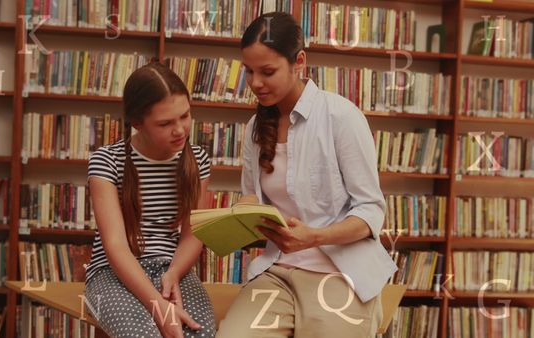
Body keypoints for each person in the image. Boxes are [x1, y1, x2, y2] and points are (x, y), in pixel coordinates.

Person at [216, 12, 398, 338]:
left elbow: (371, 212)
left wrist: (315, 236)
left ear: (299, 61)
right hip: (276, 271)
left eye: (267, 71)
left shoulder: (342, 117)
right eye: (250, 71)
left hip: (339, 273)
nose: (255, 83)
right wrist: (240, 219)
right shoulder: (255, 128)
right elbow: (250, 195)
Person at [84, 62, 216, 338]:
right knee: (142, 334)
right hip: (114, 273)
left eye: (185, 116)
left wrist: (173, 275)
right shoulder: (107, 162)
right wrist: (158, 307)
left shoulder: (198, 160)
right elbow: (116, 247)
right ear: (137, 123)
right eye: (165, 123)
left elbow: (195, 234)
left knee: (198, 334)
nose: (180, 130)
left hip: (173, 269)